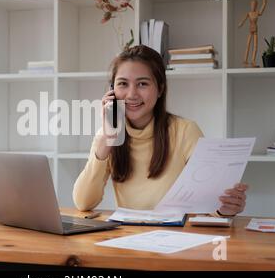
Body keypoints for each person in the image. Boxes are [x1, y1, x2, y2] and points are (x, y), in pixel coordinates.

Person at [73, 45, 248, 217]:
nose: (131, 94)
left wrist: (223, 208)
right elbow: (83, 202)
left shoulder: (185, 131)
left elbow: (209, 199)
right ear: (112, 91)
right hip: (129, 237)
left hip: (178, 236)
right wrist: (105, 142)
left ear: (160, 89)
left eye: (142, 84)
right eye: (123, 84)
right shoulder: (106, 136)